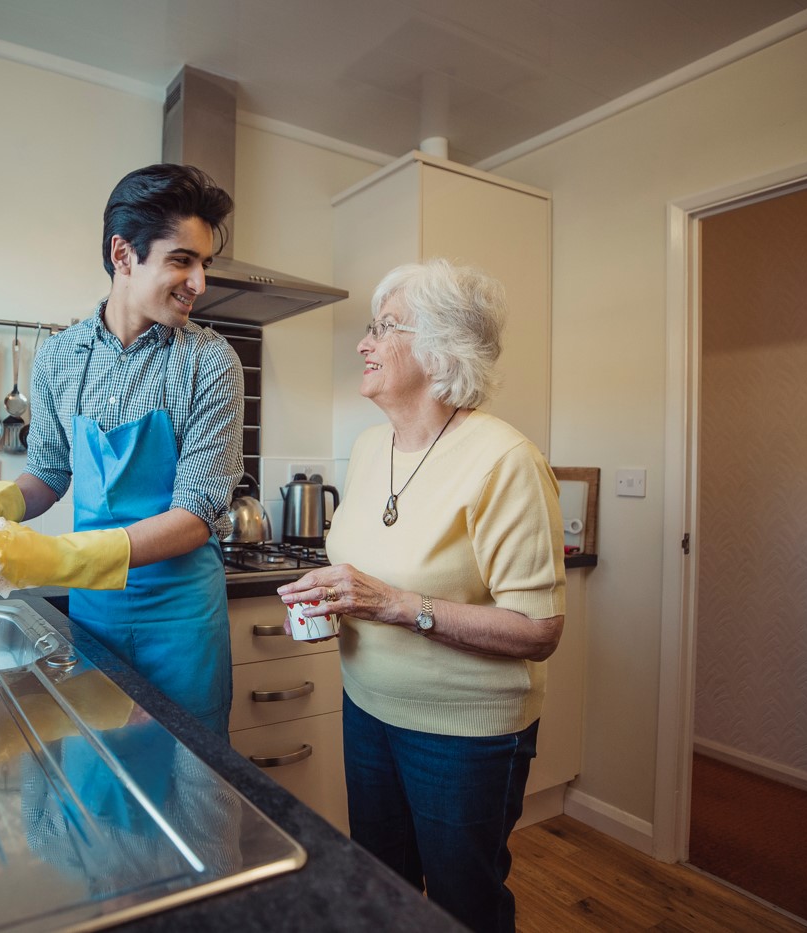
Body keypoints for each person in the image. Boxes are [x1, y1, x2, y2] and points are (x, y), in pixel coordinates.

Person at [277, 259, 565, 933]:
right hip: (368, 706)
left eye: (382, 327)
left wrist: (394, 604)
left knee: (464, 903)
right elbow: (373, 563)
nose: (362, 343)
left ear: (440, 348)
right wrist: (335, 593)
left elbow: (538, 628)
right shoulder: (370, 445)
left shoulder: (504, 459)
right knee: (382, 887)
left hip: (462, 733)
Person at [0, 163, 244, 736]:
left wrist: (60, 560)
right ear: (123, 254)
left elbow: (198, 514)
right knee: (101, 776)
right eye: (182, 260)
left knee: (188, 783)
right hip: (95, 617)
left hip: (182, 623)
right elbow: (49, 473)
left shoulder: (210, 362)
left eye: (204, 264)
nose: (199, 282)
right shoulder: (60, 356)